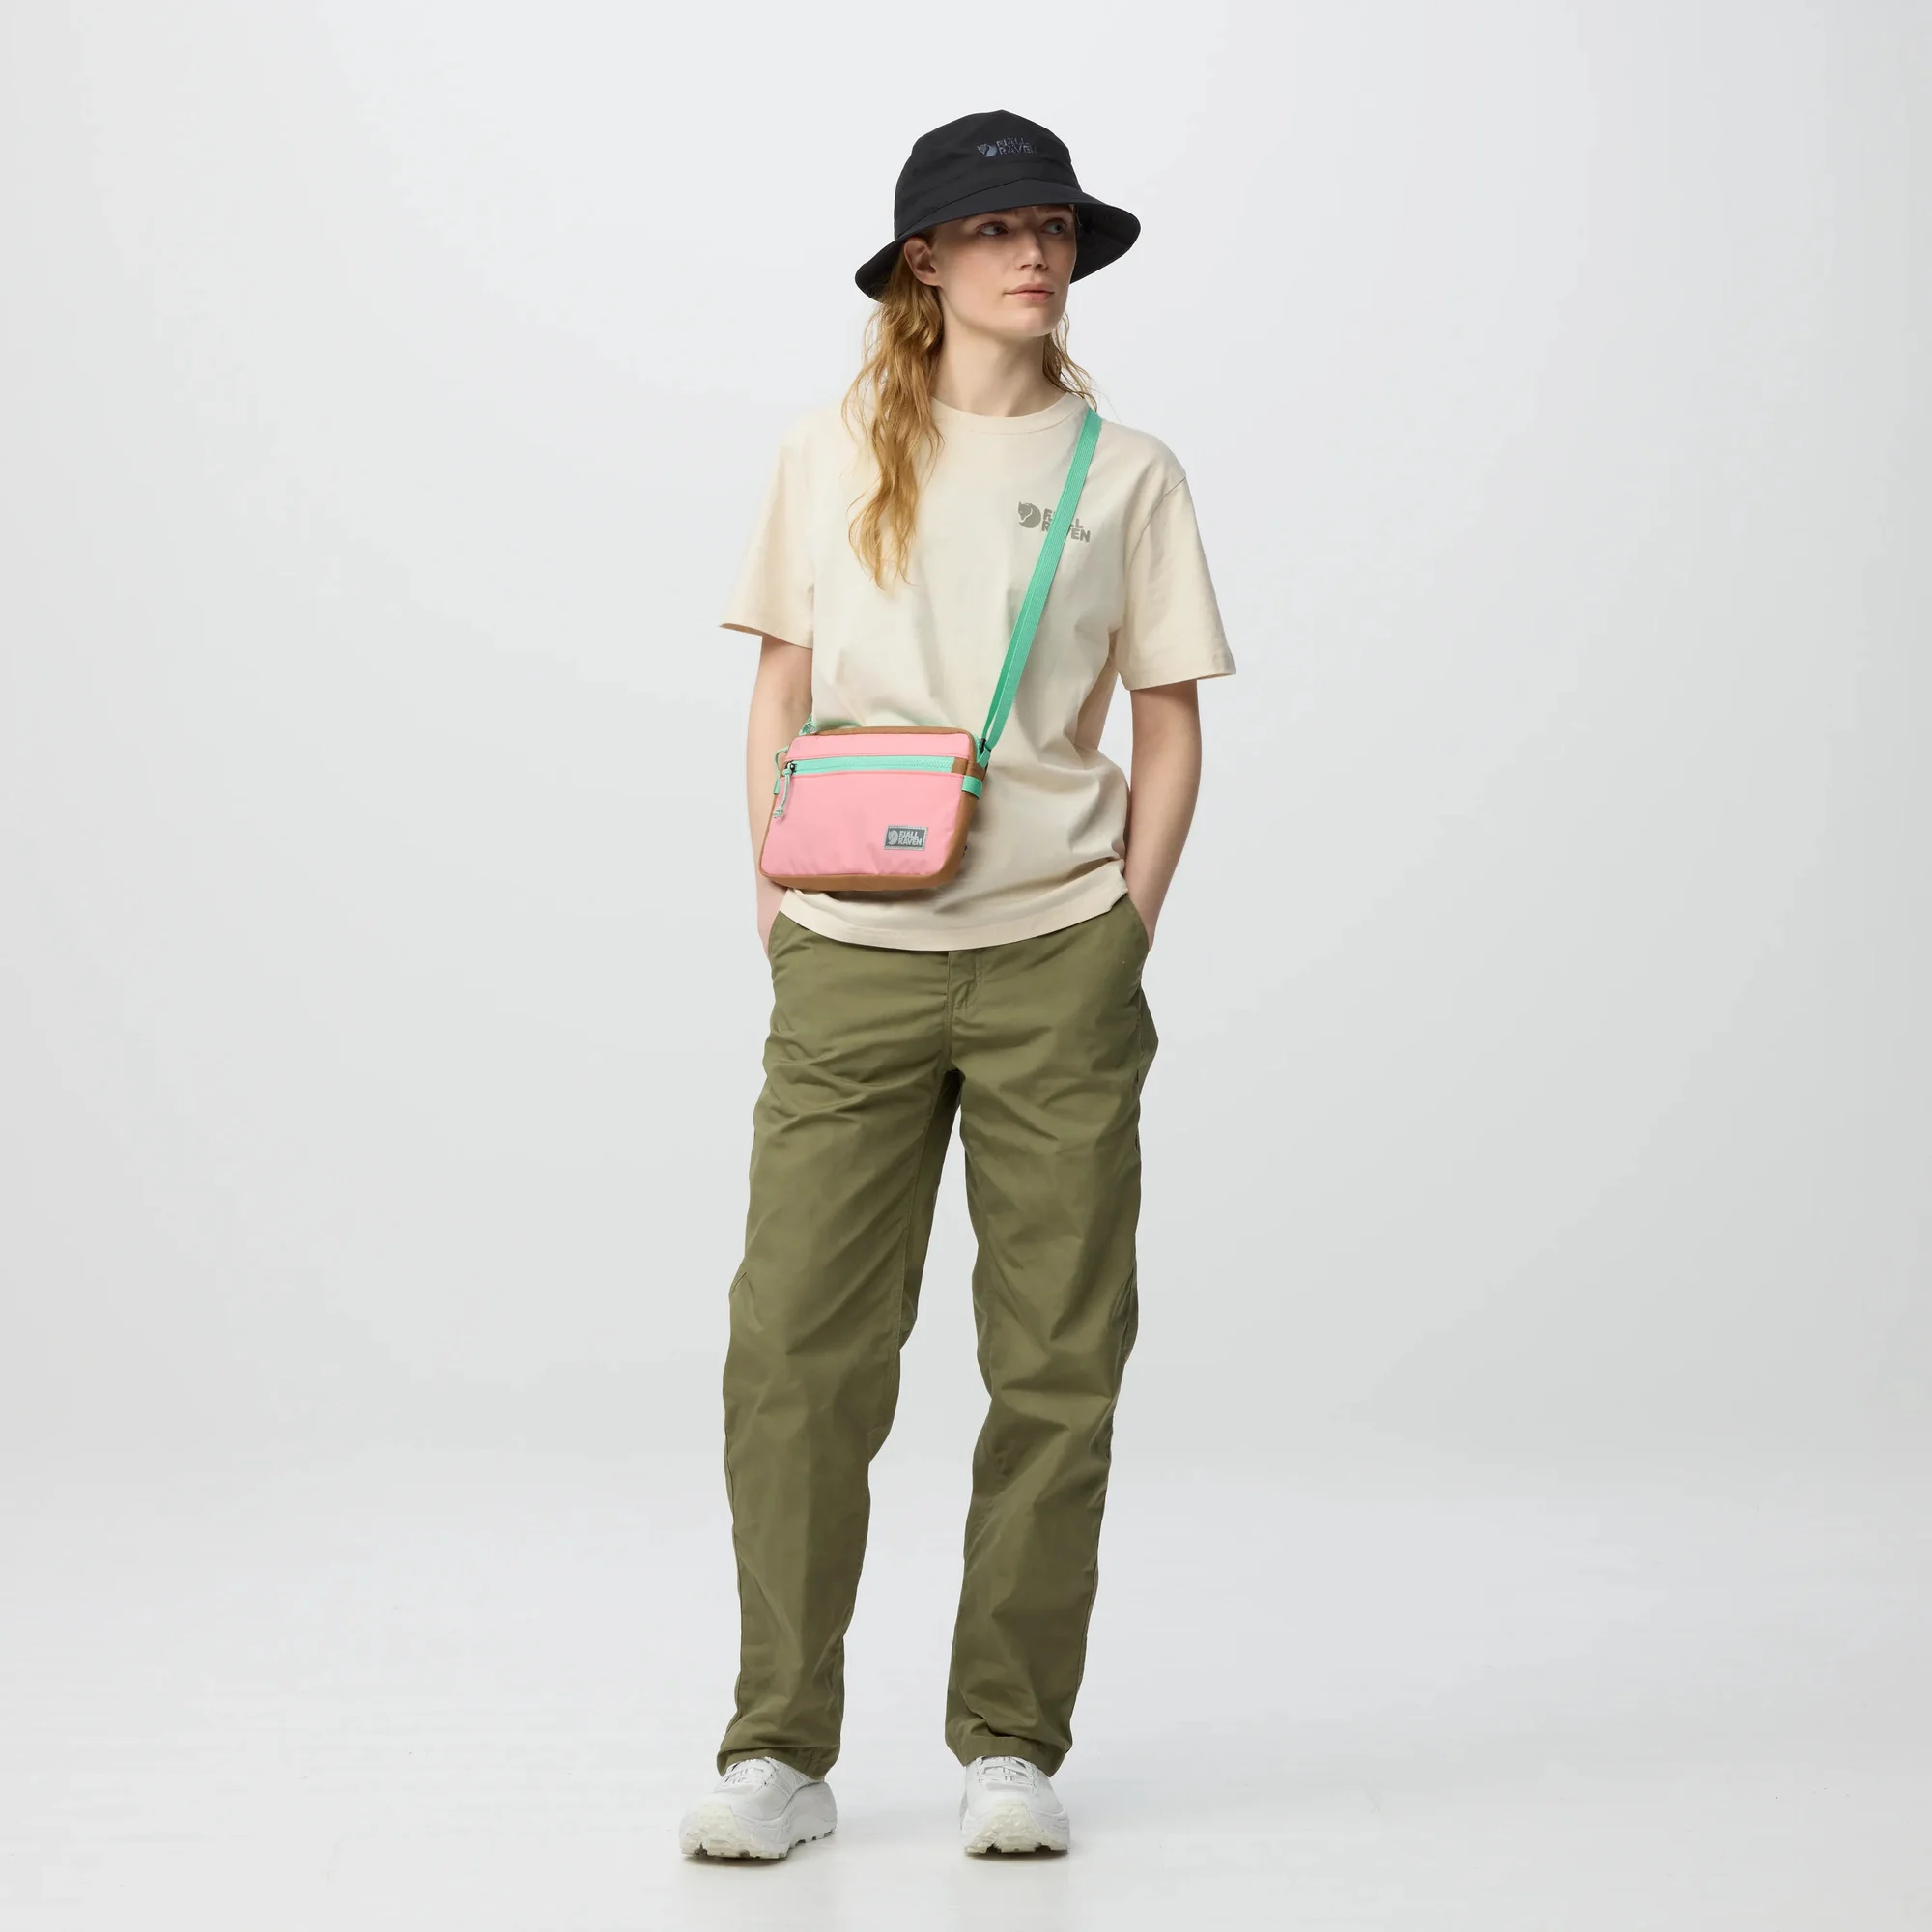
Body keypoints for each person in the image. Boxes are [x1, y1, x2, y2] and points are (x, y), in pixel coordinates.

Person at [677, 108, 1236, 1862]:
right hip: (849, 956)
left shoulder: (1127, 472)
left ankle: (1010, 1738)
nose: (1035, 252)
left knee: (1057, 1363)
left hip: (1059, 959)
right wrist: (773, 897)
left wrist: (1126, 922)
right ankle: (778, 1748)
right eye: (997, 228)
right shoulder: (826, 450)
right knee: (792, 1358)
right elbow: (778, 691)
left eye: (1054, 226)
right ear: (923, 260)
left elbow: (1168, 719)